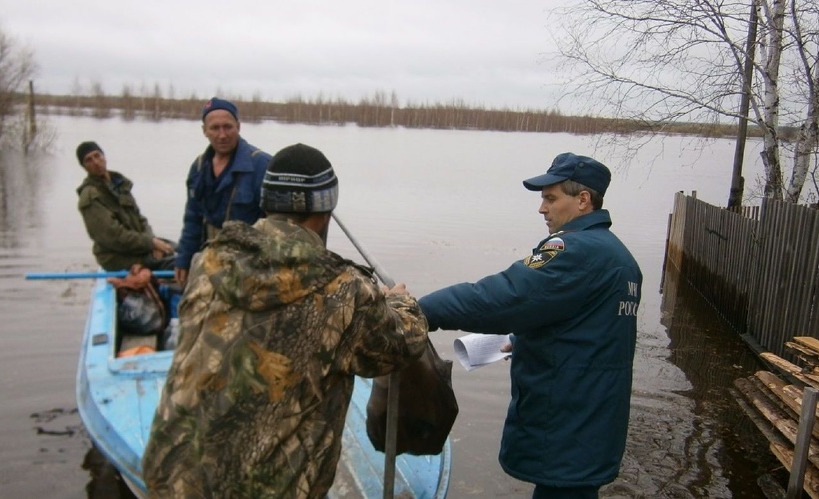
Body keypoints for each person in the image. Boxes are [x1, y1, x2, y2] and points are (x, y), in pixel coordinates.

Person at [142, 143, 429, 498]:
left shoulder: (209, 260)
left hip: (171, 478)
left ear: (265, 201)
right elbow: (402, 345)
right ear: (325, 211)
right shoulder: (345, 289)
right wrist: (400, 302)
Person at [417, 153, 643, 499]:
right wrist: (520, 339)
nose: (542, 208)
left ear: (583, 200)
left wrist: (420, 310)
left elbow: (502, 298)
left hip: (566, 428)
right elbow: (589, 331)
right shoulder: (620, 257)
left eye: (550, 198)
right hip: (595, 424)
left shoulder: (573, 250)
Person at [174, 97, 271, 287]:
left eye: (228, 127)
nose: (222, 135)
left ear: (239, 126)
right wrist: (183, 260)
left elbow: (278, 225)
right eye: (215, 128)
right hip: (209, 259)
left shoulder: (262, 165)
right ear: (204, 131)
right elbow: (192, 219)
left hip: (248, 266)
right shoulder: (199, 167)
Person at [75, 141, 175, 271]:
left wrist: (152, 241)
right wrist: (150, 243)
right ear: (84, 166)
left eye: (97, 155)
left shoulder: (119, 184)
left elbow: (140, 219)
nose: (96, 162)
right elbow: (113, 237)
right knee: (179, 264)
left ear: (104, 156)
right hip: (117, 256)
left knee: (183, 250)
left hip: (139, 247)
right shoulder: (90, 196)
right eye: (89, 160)